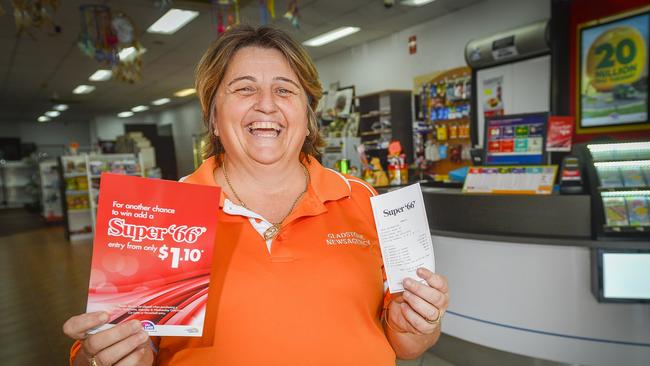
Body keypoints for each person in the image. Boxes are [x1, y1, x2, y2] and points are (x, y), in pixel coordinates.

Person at [63, 25, 449, 366]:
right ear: (213, 116)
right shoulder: (161, 214)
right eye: (245, 88)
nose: (266, 104)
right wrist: (107, 357)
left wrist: (417, 324)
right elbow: (109, 348)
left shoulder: (363, 199)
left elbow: (408, 345)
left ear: (308, 113)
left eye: (284, 89)